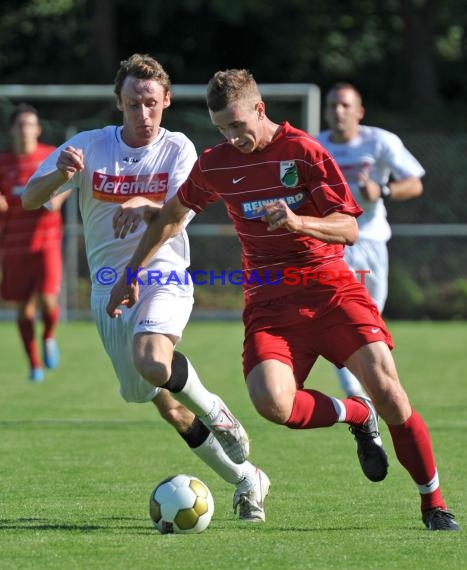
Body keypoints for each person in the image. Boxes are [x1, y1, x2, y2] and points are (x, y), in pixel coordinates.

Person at [106, 68, 459, 532]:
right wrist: (132, 271)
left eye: (239, 125)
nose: (234, 138)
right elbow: (174, 216)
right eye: (222, 129)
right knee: (273, 404)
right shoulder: (217, 162)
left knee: (391, 393)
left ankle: (433, 504)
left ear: (260, 109)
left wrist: (299, 223)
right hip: (270, 305)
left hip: (331, 290)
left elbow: (349, 227)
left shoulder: (304, 152)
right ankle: (355, 413)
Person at [22, 54, 269, 522]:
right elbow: (29, 199)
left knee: (154, 358)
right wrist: (60, 175)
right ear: (119, 102)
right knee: (162, 403)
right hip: (108, 291)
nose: (143, 113)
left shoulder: (178, 149)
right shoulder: (89, 147)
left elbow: (176, 219)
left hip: (164, 274)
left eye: (152, 103)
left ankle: (220, 413)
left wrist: (144, 202)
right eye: (134, 103)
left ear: (167, 101)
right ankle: (245, 478)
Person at [317, 82, 425, 398]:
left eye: (345, 105)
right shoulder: (314, 145)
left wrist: (383, 191)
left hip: (372, 244)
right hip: (333, 245)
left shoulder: (380, 141)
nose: (338, 111)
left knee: (370, 325)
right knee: (339, 319)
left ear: (359, 111)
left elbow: (415, 183)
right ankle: (357, 393)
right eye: (332, 105)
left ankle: (375, 391)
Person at [0, 103, 64, 383]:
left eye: (30, 124)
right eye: (20, 125)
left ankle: (49, 335)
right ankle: (34, 364)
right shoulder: (3, 163)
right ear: (12, 130)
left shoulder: (50, 156)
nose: (25, 130)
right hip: (13, 247)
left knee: (48, 302)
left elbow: (66, 185)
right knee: (24, 311)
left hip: (46, 243)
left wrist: (55, 200)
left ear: (38, 129)